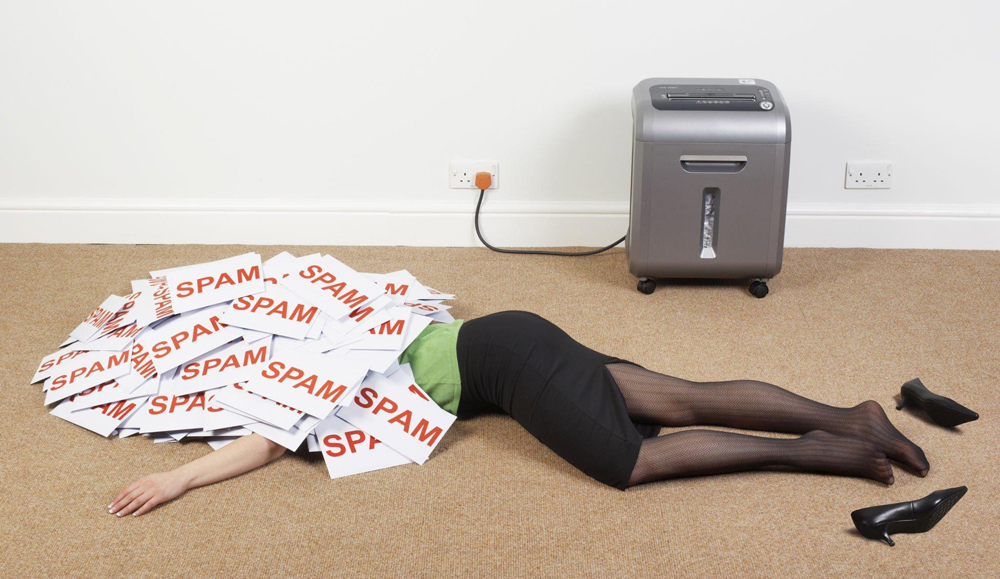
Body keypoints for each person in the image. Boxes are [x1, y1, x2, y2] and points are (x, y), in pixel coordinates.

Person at [109, 311, 929, 517]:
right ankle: (854, 419)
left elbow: (259, 445)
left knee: (631, 460)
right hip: (510, 334)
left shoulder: (289, 376)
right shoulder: (314, 329)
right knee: (673, 398)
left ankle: (824, 448)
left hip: (504, 362)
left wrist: (178, 477)